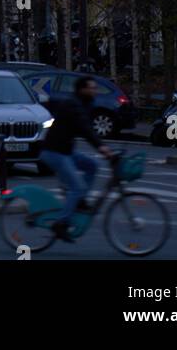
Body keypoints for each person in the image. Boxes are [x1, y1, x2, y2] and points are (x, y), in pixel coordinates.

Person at [40, 75, 114, 241]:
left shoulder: (83, 103)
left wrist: (101, 146)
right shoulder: (73, 104)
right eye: (92, 88)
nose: (95, 91)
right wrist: (102, 147)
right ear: (82, 90)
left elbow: (86, 129)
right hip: (55, 152)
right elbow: (85, 129)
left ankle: (79, 201)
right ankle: (61, 223)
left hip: (66, 150)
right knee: (77, 187)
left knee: (92, 166)